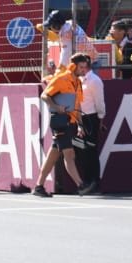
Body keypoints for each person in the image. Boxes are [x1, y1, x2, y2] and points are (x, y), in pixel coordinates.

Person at [33, 52, 94, 197]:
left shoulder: (78, 82)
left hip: (71, 123)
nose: (83, 70)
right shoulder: (61, 79)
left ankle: (39, 186)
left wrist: (79, 124)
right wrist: (56, 106)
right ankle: (80, 185)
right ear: (73, 66)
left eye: (85, 67)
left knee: (53, 154)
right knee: (69, 153)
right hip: (61, 122)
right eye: (81, 67)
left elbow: (77, 105)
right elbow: (44, 95)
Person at [77, 60, 105, 191]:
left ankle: (94, 182)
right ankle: (87, 181)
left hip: (91, 118)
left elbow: (99, 102)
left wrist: (100, 118)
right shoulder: (79, 79)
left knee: (91, 151)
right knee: (82, 151)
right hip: (80, 119)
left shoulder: (95, 80)